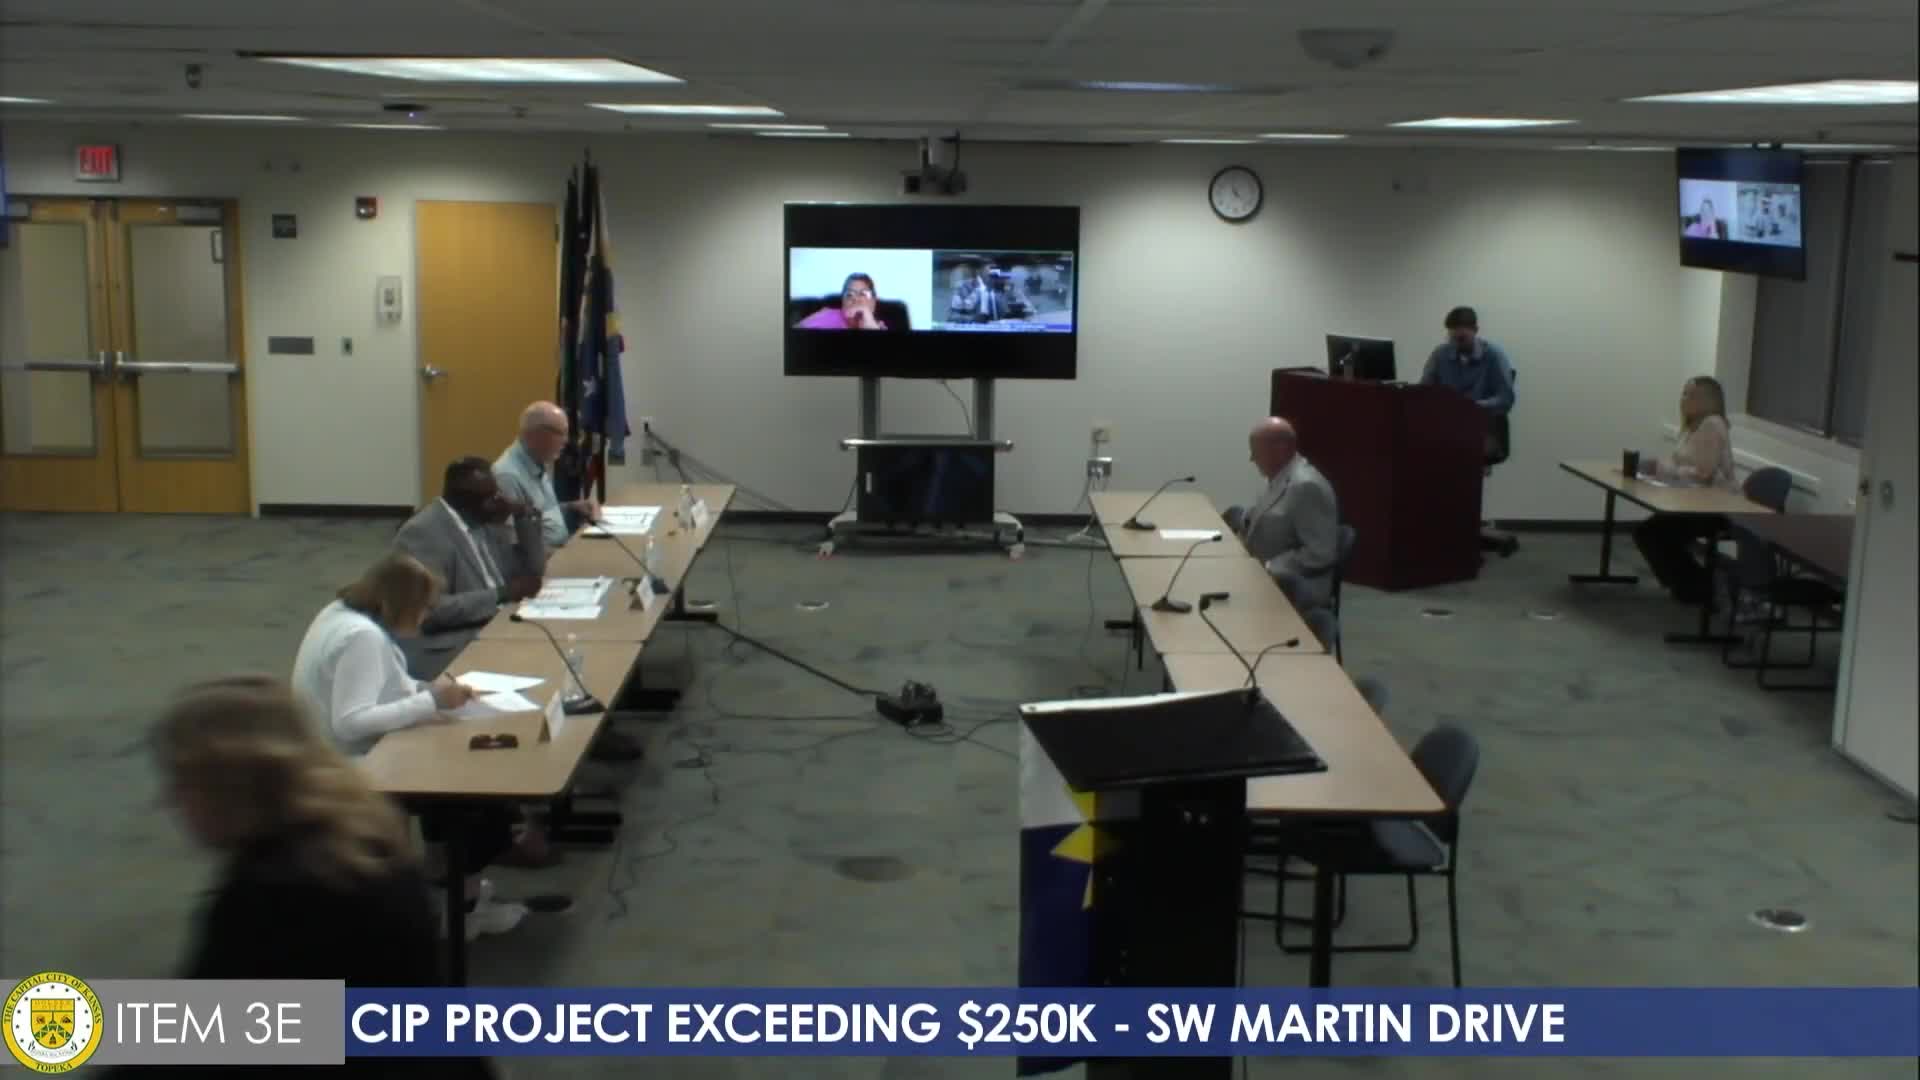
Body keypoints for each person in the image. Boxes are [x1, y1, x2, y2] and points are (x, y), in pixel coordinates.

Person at [140, 675, 500, 1077]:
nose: (168, 800)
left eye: (182, 783)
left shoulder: (272, 896)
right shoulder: (364, 837)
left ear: (227, 786)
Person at [290, 554, 541, 930]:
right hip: (353, 764)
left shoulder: (341, 614)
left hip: (334, 751)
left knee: (454, 765)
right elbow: (351, 722)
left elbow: (385, 684)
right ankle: (465, 907)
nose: (425, 618)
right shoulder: (362, 638)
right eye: (423, 608)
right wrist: (431, 701)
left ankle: (447, 884)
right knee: (476, 792)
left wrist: (428, 691)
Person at [393, 457, 548, 681]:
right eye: (492, 497)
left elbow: (533, 571)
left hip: (498, 624)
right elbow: (430, 610)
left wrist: (524, 514)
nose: (500, 500)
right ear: (467, 502)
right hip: (451, 643)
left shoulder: (485, 521)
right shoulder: (422, 533)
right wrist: (502, 594)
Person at [1631, 376, 1738, 604]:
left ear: (1706, 399)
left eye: (1689, 395)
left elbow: (1703, 473)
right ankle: (1689, 586)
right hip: (1693, 502)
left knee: (1653, 533)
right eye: (1683, 393)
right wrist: (1656, 468)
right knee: (1649, 532)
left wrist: (1663, 469)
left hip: (1715, 509)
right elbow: (1679, 463)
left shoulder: (1713, 425)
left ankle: (1700, 587)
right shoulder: (1691, 427)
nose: (1683, 399)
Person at [1224, 417, 1341, 612]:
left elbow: (1320, 553)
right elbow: (1267, 513)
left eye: (1256, 451)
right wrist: (1242, 522)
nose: (1252, 459)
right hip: (1263, 571)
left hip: (1294, 585)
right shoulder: (1280, 476)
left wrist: (1270, 567)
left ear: (1279, 449)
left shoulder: (1306, 486)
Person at [495, 400, 600, 550]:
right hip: (546, 560)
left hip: (560, 551)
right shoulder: (507, 477)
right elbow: (512, 546)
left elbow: (540, 514)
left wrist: (572, 507)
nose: (566, 441)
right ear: (537, 434)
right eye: (560, 433)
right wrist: (567, 555)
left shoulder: (536, 460)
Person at [1421, 306, 1516, 458]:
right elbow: (1424, 391)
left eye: (1462, 339)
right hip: (1449, 426)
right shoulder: (1440, 354)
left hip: (1483, 427)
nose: (1456, 344)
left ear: (1475, 330)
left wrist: (1471, 406)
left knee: (1468, 458)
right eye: (1452, 338)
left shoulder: (1494, 355)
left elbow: (1505, 398)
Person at [795, 273, 888, 330]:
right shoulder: (828, 315)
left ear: (873, 302)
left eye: (863, 294)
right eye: (849, 295)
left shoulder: (879, 327)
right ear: (843, 302)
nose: (855, 299)